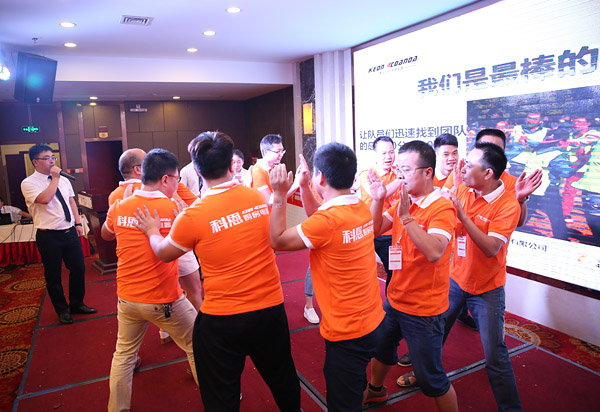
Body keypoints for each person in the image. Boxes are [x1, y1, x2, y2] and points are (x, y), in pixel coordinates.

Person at [135, 131, 301, 412]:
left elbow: (164, 253)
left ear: (196, 170)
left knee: (221, 394)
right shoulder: (257, 198)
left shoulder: (193, 215)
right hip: (269, 310)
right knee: (282, 376)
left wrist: (152, 230)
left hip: (223, 318)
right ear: (230, 163)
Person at [270, 142, 385, 412]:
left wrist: (279, 195)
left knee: (343, 403)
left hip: (347, 334)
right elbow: (318, 217)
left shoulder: (328, 222)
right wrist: (305, 186)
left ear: (320, 176)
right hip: (373, 321)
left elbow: (278, 240)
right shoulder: (358, 207)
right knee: (355, 383)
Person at [101, 149, 198, 412]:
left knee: (123, 355)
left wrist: (120, 213)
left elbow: (106, 234)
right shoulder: (172, 208)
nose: (178, 184)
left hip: (127, 298)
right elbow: (189, 246)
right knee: (199, 343)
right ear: (166, 179)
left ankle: (117, 409)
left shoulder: (120, 204)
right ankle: (219, 401)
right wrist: (182, 215)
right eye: (177, 179)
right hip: (163, 300)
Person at [364, 141, 458, 412]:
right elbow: (375, 229)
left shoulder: (441, 207)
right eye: (399, 170)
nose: (400, 176)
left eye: (406, 170)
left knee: (431, 377)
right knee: (382, 349)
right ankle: (375, 391)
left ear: (427, 172)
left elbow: (435, 251)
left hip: (423, 308)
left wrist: (406, 218)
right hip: (395, 298)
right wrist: (378, 198)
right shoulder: (405, 201)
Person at [445, 142, 523, 412]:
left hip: (487, 290)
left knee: (495, 355)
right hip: (455, 280)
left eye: (469, 165)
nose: (462, 168)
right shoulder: (463, 190)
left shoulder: (508, 204)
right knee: (434, 334)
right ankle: (424, 375)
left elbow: (491, 248)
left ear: (488, 173)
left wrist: (463, 216)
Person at [21, 144, 96, 325]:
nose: (52, 161)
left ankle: (77, 304)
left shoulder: (63, 180)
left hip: (69, 232)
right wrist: (54, 178)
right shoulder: (29, 183)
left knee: (79, 268)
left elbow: (71, 201)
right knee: (53, 275)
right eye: (46, 158)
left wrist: (78, 223)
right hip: (48, 236)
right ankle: (62, 310)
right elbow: (45, 199)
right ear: (35, 162)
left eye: (53, 157)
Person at [444, 129, 543, 228]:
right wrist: (458, 189)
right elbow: (442, 208)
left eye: (496, 150)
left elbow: (517, 222)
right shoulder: (459, 173)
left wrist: (520, 200)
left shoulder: (513, 184)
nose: (490, 154)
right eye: (485, 148)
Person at [358, 136, 403, 292]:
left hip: (389, 232)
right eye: (383, 153)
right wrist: (402, 179)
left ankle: (391, 302)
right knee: (362, 272)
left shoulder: (397, 173)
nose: (388, 156)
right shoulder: (367, 174)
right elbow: (378, 194)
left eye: (391, 152)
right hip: (367, 232)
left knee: (395, 270)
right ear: (375, 155)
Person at [250, 133, 299, 205]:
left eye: (282, 151)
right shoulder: (257, 171)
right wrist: (296, 185)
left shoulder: (275, 168)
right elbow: (271, 201)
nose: (281, 155)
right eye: (277, 151)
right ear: (266, 152)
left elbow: (281, 194)